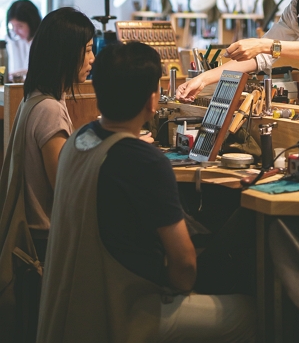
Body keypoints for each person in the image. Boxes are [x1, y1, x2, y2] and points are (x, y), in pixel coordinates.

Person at [36, 42, 256, 343]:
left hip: (69, 308)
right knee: (249, 313)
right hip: (120, 314)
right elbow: (185, 266)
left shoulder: (79, 139)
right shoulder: (143, 161)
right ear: (153, 100)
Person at [0, 7, 95, 343]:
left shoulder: (33, 100)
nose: (93, 59)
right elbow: (65, 188)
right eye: (87, 50)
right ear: (65, 53)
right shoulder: (50, 109)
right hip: (43, 245)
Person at [5, 0, 42, 80]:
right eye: (12, 26)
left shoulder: (43, 41)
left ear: (32, 23)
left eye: (20, 26)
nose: (15, 31)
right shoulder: (10, 40)